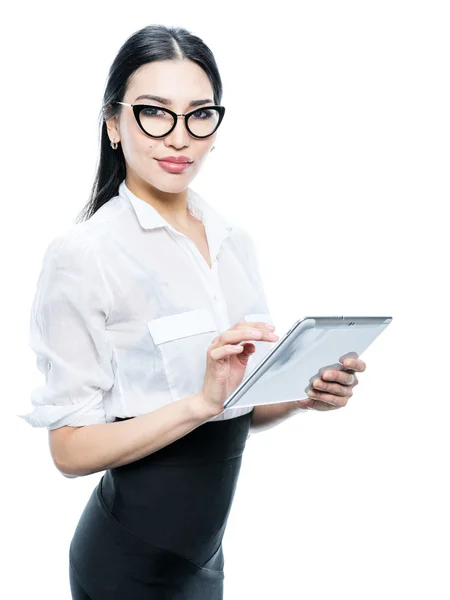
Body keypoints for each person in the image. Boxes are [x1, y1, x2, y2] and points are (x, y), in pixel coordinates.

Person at [18, 24, 365, 600]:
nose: (178, 137)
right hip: (126, 562)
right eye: (155, 113)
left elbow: (238, 406)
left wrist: (302, 393)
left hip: (204, 559)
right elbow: (69, 451)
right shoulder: (84, 255)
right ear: (113, 124)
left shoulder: (235, 242)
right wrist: (201, 403)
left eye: (199, 114)